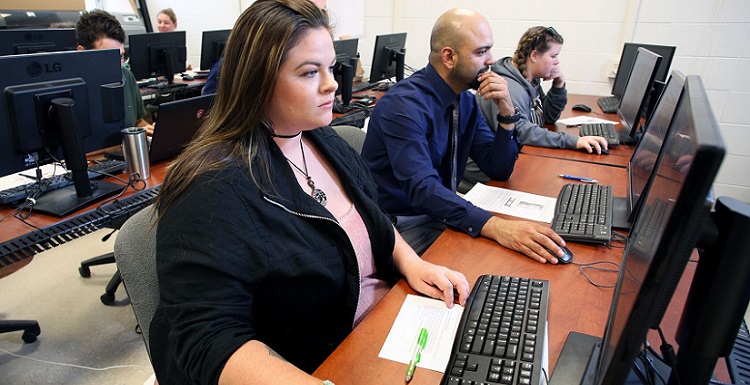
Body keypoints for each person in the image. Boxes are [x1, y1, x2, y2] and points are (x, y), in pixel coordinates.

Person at [150, 1, 470, 384]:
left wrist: (412, 263)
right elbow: (210, 341)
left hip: (381, 331)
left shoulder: (322, 140)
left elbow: (373, 218)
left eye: (330, 67)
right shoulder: (211, 188)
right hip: (316, 365)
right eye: (308, 72)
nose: (331, 83)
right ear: (257, 82)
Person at [361, 8, 567, 262]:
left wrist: (507, 113)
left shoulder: (465, 102)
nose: (491, 59)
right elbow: (423, 190)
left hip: (440, 211)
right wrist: (497, 227)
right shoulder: (404, 106)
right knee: (486, 265)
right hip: (400, 227)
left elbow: (498, 168)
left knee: (508, 256)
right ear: (449, 57)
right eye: (481, 52)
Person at [464, 26, 609, 191]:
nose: (557, 62)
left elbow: (547, 117)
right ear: (534, 55)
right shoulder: (510, 87)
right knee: (548, 186)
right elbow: (522, 131)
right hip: (488, 171)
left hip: (509, 158)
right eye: (553, 56)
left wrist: (558, 84)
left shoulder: (529, 80)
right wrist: (572, 141)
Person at [75, 9, 154, 135]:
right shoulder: (72, 90)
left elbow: (138, 122)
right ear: (82, 52)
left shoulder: (126, 76)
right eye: (109, 58)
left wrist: (148, 130)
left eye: (121, 56)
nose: (118, 66)